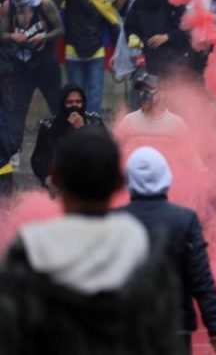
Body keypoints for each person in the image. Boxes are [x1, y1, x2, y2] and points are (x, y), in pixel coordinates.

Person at [0, 127, 182, 354]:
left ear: (56, 178)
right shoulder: (144, 251)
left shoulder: (27, 253)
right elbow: (166, 343)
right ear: (119, 182)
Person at [119, 147, 216, 355]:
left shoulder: (114, 221)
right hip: (175, 325)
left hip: (128, 327)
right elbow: (201, 278)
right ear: (165, 177)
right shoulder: (184, 219)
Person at [1, 0, 64, 161]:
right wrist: (13, 36)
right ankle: (12, 153)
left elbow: (60, 29)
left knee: (57, 106)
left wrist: (44, 37)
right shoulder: (10, 6)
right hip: (21, 68)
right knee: (17, 110)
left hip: (47, 66)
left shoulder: (45, 4)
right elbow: (2, 34)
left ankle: (64, 149)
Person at [31, 84, 105, 196]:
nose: (74, 106)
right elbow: (38, 158)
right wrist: (47, 178)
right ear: (63, 103)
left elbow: (104, 155)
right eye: (69, 102)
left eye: (78, 102)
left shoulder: (95, 123)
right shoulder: (49, 126)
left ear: (84, 103)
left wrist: (82, 129)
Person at [63, 0, 120, 114]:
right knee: (79, 94)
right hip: (75, 54)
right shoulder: (69, 3)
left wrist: (118, 53)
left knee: (93, 93)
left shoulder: (103, 3)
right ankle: (78, 125)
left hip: (95, 54)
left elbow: (114, 27)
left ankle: (92, 124)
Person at [124, 0, 194, 77]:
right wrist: (132, 36)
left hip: (174, 59)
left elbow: (185, 28)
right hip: (149, 58)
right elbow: (130, 25)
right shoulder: (139, 2)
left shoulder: (175, 1)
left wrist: (168, 36)